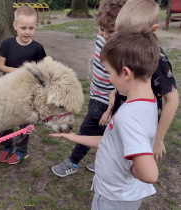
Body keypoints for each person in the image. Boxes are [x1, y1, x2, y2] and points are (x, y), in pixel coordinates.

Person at [50, 27, 160, 210]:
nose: (108, 78)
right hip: (120, 194)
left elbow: (149, 174)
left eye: (109, 72)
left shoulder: (128, 117)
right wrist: (74, 137)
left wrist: (135, 169)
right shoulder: (147, 103)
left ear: (125, 73)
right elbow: (112, 142)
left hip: (115, 198)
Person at [51, 0, 127, 177]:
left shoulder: (124, 50)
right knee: (104, 130)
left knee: (88, 130)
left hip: (108, 99)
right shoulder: (104, 34)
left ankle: (73, 161)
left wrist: (109, 108)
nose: (102, 34)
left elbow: (122, 84)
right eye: (100, 29)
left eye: (109, 31)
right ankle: (106, 161)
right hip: (96, 94)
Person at [100, 0, 179, 163]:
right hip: (123, 114)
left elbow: (172, 100)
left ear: (153, 30)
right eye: (121, 34)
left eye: (130, 36)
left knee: (133, 167)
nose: (124, 41)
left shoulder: (158, 61)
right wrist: (114, 94)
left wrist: (158, 140)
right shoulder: (128, 51)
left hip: (140, 125)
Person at [0, 6, 46, 165]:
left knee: (25, 122)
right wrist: (19, 71)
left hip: (27, 94)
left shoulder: (38, 48)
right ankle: (7, 146)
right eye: (23, 27)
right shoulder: (7, 43)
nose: (27, 32)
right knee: (5, 120)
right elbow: (0, 66)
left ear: (35, 27)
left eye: (31, 28)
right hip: (8, 91)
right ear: (15, 25)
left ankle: (21, 150)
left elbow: (43, 71)